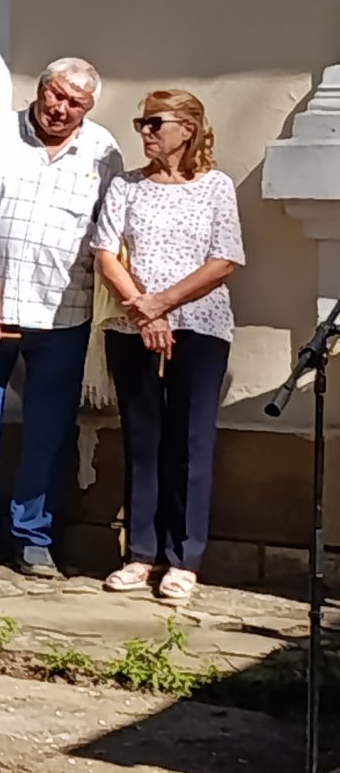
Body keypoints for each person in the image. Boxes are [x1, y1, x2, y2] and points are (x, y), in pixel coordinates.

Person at [0, 57, 123, 577]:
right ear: (41, 89)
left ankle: (33, 538)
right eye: (56, 95)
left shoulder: (104, 150)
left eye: (75, 104)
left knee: (50, 430)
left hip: (63, 313)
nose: (61, 109)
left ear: (88, 109)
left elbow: (109, 230)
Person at [91, 91, 243, 604]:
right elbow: (106, 254)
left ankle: (184, 558)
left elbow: (224, 259)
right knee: (142, 439)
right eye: (142, 123)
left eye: (156, 122)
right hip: (133, 327)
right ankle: (141, 552)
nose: (146, 132)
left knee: (190, 441)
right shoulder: (126, 185)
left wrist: (164, 304)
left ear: (188, 128)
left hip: (200, 327)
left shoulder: (216, 186)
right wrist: (144, 310)